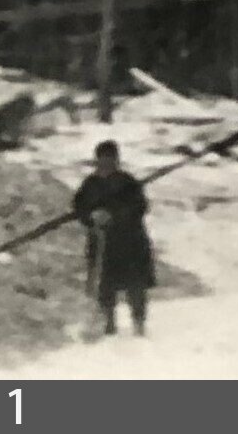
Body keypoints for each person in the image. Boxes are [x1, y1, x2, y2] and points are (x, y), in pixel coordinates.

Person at [71, 140, 153, 338]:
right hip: (101, 243)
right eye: (102, 159)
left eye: (110, 159)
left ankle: (138, 322)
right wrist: (91, 217)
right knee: (104, 286)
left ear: (117, 160)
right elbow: (79, 207)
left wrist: (114, 216)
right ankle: (107, 323)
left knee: (136, 286)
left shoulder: (128, 182)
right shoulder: (89, 184)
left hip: (130, 243)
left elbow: (139, 207)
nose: (106, 163)